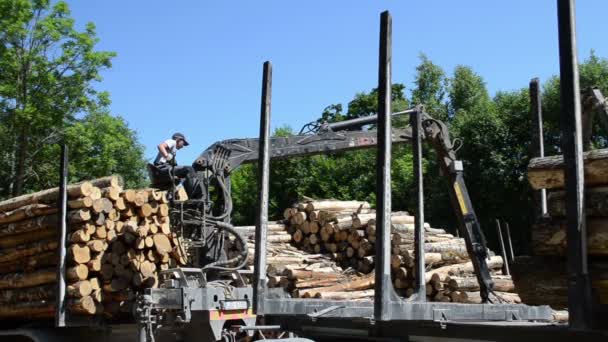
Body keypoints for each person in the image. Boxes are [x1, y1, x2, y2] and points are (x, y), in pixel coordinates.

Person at [154, 133, 201, 198]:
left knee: (184, 177)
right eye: (183, 143)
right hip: (162, 168)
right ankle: (194, 194)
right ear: (178, 139)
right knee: (189, 169)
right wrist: (167, 156)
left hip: (163, 170)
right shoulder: (172, 142)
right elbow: (160, 146)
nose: (183, 146)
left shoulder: (173, 150)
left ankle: (181, 194)